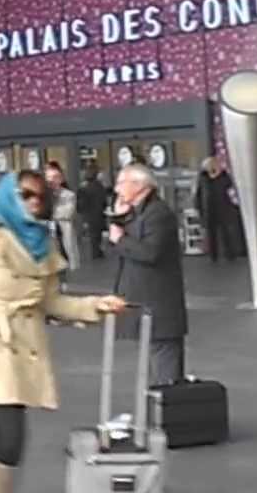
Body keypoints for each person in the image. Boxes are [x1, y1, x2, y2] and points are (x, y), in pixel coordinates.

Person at [0, 171, 126, 492]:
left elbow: (51, 302)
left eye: (40, 196)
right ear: (9, 196)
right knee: (9, 430)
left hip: (26, 343)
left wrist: (96, 306)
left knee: (10, 433)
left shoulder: (44, 241)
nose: (34, 202)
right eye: (25, 194)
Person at [105, 163, 188, 386]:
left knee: (164, 366)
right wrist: (118, 219)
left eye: (122, 183)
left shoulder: (158, 214)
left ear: (139, 185)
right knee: (152, 363)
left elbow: (151, 252)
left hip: (158, 305)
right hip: (142, 302)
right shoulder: (136, 213)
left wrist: (120, 238)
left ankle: (169, 414)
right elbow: (114, 249)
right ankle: (156, 413)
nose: (116, 189)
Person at [194, 157, 246, 263]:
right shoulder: (202, 177)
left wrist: (220, 173)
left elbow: (229, 185)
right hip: (208, 208)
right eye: (208, 165)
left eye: (212, 164)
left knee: (225, 231)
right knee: (211, 233)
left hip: (223, 207)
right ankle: (213, 256)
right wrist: (198, 206)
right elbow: (199, 193)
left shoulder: (223, 175)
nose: (210, 167)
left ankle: (229, 254)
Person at [44, 162, 81, 271]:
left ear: (61, 179)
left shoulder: (68, 195)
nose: (51, 181)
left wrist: (48, 212)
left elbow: (67, 213)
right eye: (49, 177)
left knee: (63, 268)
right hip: (46, 240)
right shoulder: (41, 195)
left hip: (62, 237)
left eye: (55, 177)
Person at [75, 165, 108, 260]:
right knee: (97, 234)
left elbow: (81, 203)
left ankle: (96, 251)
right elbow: (103, 201)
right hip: (99, 214)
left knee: (93, 234)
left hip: (89, 214)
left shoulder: (84, 187)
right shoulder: (99, 186)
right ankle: (97, 252)